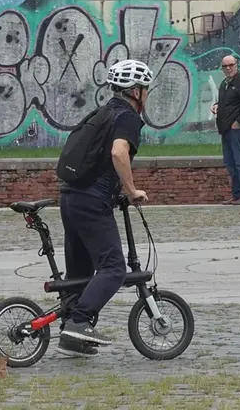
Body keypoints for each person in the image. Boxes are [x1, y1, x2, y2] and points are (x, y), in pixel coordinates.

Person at [57, 59, 152, 357]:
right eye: (145, 88)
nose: (146, 93)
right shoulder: (126, 117)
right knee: (113, 268)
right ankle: (81, 321)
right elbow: (118, 152)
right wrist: (132, 190)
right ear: (135, 91)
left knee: (80, 274)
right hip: (91, 202)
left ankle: (70, 337)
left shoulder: (102, 112)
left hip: (70, 197)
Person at [210, 55, 240, 205]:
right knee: (230, 163)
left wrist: (238, 122)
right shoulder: (225, 83)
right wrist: (217, 105)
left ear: (236, 65)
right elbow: (227, 102)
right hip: (226, 130)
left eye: (231, 65)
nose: (228, 68)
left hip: (239, 129)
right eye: (225, 66)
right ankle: (237, 195)